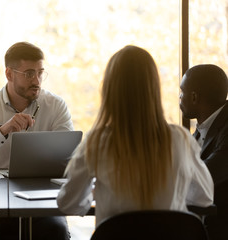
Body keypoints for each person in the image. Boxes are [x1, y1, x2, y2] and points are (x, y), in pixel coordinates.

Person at [57, 45, 214, 227]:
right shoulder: (180, 138)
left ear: (109, 90)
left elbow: (68, 204)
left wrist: (92, 193)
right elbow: (205, 198)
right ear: (154, 88)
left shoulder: (98, 141)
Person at [0, 42, 72, 240]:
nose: (37, 80)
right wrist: (2, 131)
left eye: (40, 72)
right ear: (9, 74)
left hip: (39, 196)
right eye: (29, 74)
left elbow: (69, 159)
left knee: (55, 233)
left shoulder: (56, 106)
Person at [180, 64, 228, 240]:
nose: (179, 97)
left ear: (194, 97)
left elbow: (207, 174)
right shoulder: (201, 131)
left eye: (181, 92)